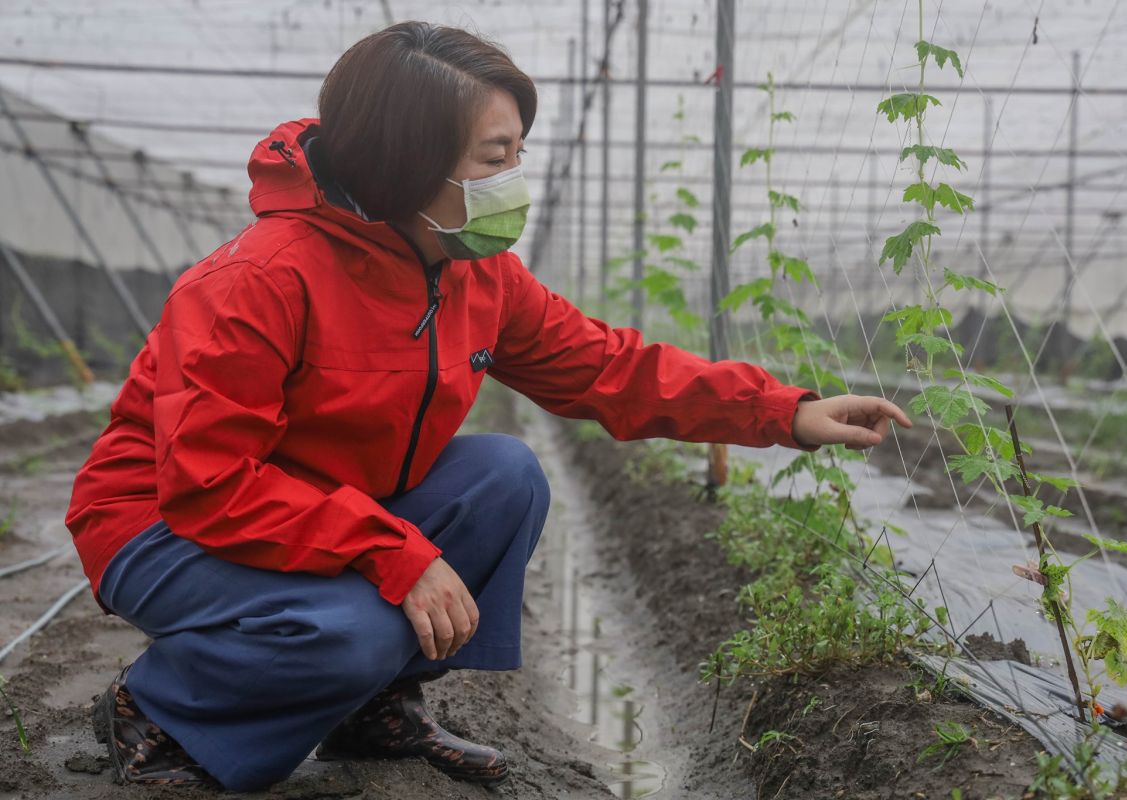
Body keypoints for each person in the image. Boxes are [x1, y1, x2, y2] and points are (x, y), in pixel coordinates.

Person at [65, 21, 912, 792]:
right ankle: (161, 708)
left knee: (504, 474)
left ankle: (371, 707)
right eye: (492, 157)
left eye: (517, 154)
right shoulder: (258, 282)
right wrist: (391, 550)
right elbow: (209, 481)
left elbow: (605, 367)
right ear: (406, 162)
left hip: (320, 506)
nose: (513, 180)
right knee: (354, 631)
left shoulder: (473, 270)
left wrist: (783, 411)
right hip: (165, 525)